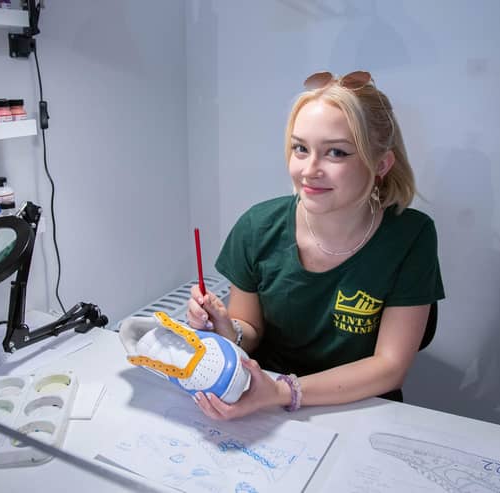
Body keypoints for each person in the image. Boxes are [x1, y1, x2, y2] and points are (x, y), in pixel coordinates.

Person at [187, 70, 445, 420]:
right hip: (263, 405)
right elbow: (251, 332)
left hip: (359, 408)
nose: (309, 169)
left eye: (336, 153)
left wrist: (283, 392)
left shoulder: (411, 236)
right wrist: (226, 330)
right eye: (300, 148)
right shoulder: (257, 227)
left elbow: (389, 366)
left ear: (381, 164)